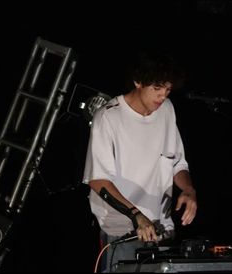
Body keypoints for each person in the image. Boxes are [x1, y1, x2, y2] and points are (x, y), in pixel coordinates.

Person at [82, 50, 197, 272]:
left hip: (161, 226)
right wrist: (136, 215)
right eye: (157, 88)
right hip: (122, 229)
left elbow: (178, 163)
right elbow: (97, 180)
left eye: (168, 89)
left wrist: (189, 189)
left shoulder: (167, 110)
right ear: (138, 82)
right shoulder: (108, 117)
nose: (163, 96)